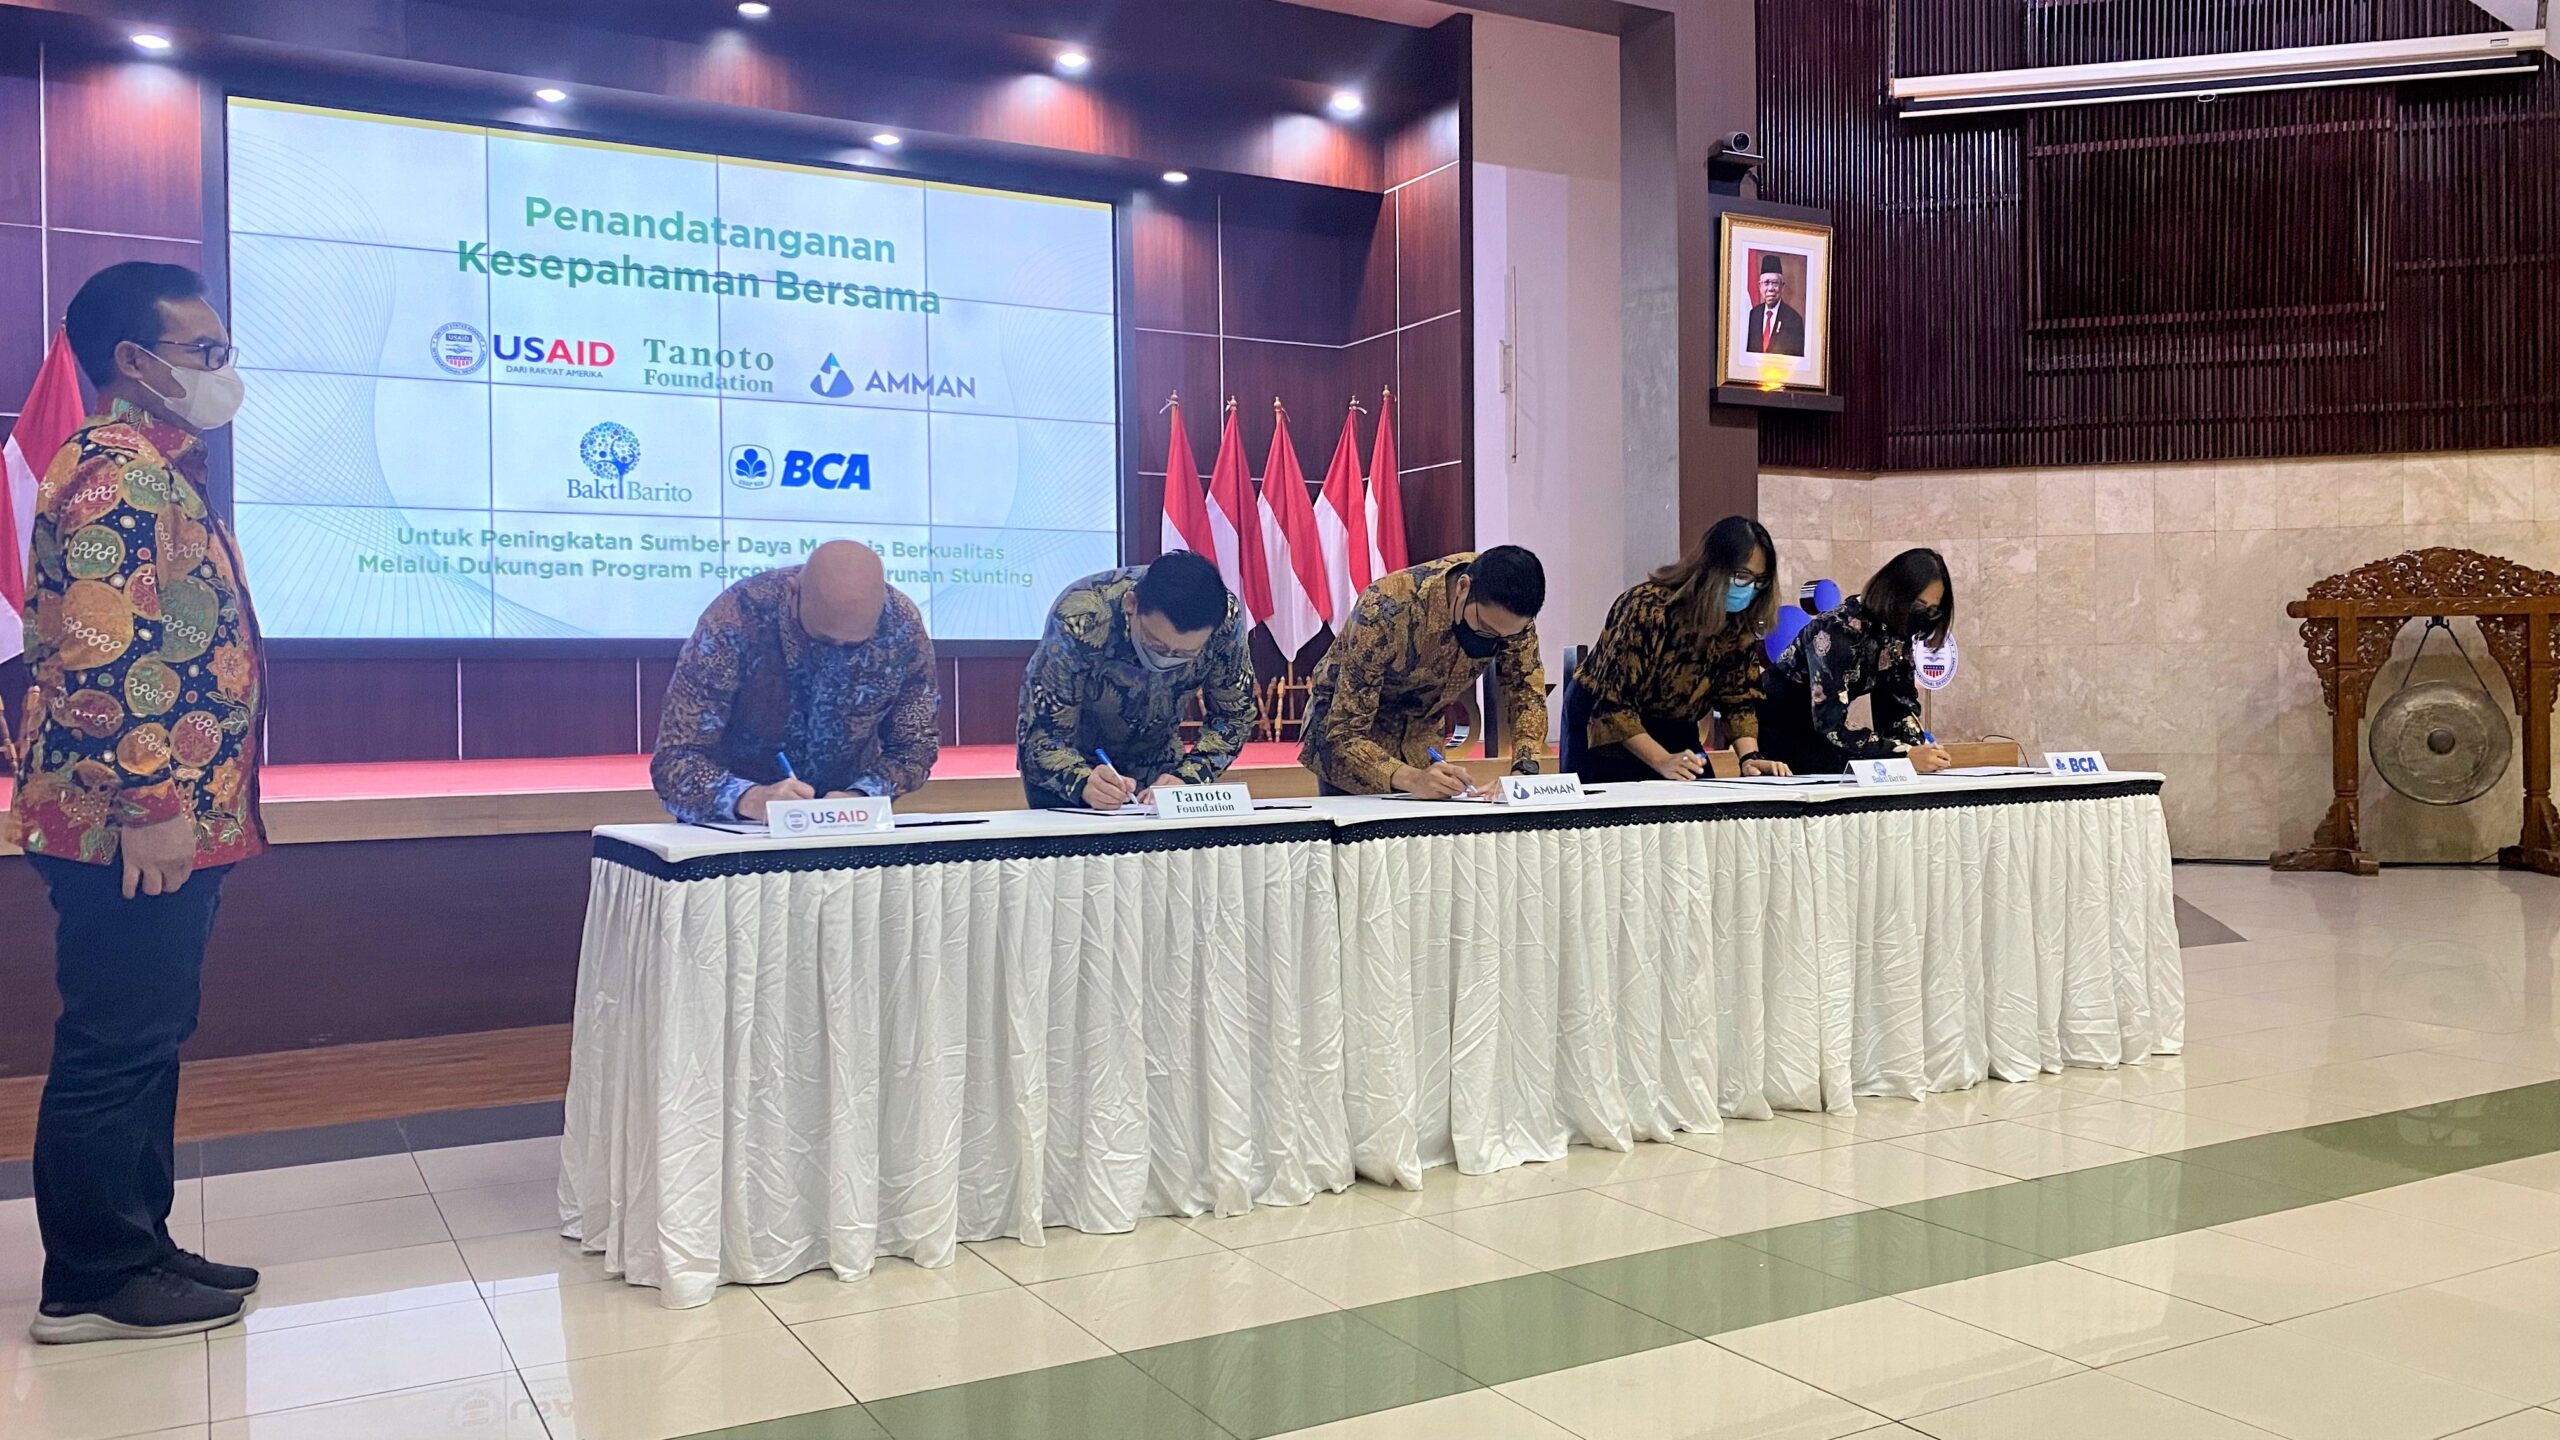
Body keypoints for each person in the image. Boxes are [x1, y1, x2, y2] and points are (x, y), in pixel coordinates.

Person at [7, 262, 266, 1342]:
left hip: (162, 816)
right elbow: (107, 656)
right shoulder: (116, 473)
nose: (223, 370)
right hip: (128, 821)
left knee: (147, 1038)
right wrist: (153, 801)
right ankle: (92, 1279)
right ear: (133, 360)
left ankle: (138, 1242)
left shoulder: (159, 466)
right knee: (115, 1044)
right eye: (205, 351)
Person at [653, 539, 939, 822]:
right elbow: (676, 758)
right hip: (737, 826)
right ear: (793, 593)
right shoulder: (735, 617)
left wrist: (861, 796)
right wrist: (748, 798)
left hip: (847, 823)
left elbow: (914, 746)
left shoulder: (902, 625)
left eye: (854, 645)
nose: (837, 651)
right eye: (823, 639)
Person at [1300, 546, 1548, 797]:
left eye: (1505, 636)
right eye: (1485, 626)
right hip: (1353, 747)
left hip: (1422, 740)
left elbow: (1526, 691)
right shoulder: (1385, 607)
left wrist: (1522, 775)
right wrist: (1413, 779)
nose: (1493, 639)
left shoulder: (1511, 614)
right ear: (1463, 588)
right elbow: (1344, 732)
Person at [1017, 551, 1256, 810]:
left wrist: (1189, 777)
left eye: (1184, 654)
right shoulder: (1082, 615)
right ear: (1131, 604)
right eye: (1156, 644)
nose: (1166, 658)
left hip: (1161, 771)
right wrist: (1081, 781)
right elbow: (1041, 733)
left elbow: (1233, 716)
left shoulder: (1223, 619)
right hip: (1069, 770)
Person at [1575, 516, 1794, 783]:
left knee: (1704, 798)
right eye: (1742, 576)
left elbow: (1738, 701)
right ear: (1712, 568)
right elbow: (1614, 706)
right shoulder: (1647, 608)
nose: (1750, 589)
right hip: (1604, 729)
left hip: (1676, 727)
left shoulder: (1738, 624)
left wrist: (1750, 758)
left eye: (1760, 581)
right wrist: (1662, 761)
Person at [1757, 547, 1957, 776]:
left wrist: (1922, 750)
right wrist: (1904, 754)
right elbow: (1829, 725)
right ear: (1894, 593)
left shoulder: (1896, 633)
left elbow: (1898, 706)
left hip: (1821, 733)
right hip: (1780, 731)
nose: (1923, 616)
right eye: (1919, 605)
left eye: (1932, 611)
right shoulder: (1836, 631)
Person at [1743, 255, 1806, 357]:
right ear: (1760, 286)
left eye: (1775, 283)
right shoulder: (1753, 315)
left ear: (1782, 287)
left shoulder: (1794, 320)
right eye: (1766, 283)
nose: (1770, 288)